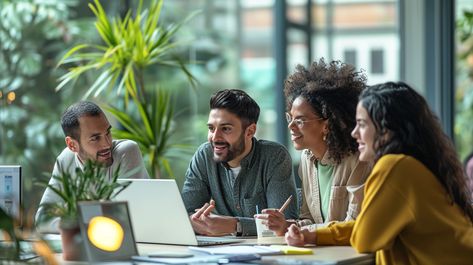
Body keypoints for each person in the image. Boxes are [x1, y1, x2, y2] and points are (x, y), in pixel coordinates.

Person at [285, 82, 473, 264]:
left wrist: (315, 234)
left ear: (387, 130)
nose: (354, 133)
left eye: (362, 124)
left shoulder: (393, 166)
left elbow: (366, 237)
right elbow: (369, 225)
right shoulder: (413, 163)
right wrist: (314, 234)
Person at [257, 59, 371, 236]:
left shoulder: (358, 159)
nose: (291, 127)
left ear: (327, 124)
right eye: (290, 118)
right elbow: (309, 218)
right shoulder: (307, 158)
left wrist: (300, 230)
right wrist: (288, 225)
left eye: (300, 120)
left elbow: (353, 226)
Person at [181, 89, 298, 236]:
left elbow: (284, 224)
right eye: (211, 128)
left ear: (250, 131)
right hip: (220, 252)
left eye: (226, 129)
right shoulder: (204, 155)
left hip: (267, 253)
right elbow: (184, 215)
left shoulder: (274, 157)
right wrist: (200, 222)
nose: (215, 137)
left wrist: (235, 225)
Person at [35, 101, 149, 232]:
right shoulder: (65, 159)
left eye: (108, 133)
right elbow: (42, 219)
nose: (107, 144)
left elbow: (124, 220)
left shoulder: (126, 151)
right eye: (95, 138)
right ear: (72, 145)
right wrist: (93, 215)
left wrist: (72, 213)